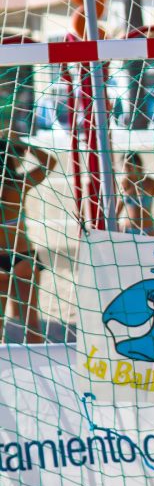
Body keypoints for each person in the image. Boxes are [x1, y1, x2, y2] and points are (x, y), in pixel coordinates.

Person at [0, 138, 56, 345]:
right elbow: (50, 162)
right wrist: (23, 144)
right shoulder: (19, 185)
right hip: (23, 256)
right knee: (32, 326)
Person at [118, 153, 154, 239]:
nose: (126, 168)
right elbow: (118, 209)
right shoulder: (125, 183)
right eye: (124, 166)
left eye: (128, 165)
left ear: (138, 164)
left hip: (147, 231)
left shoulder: (151, 183)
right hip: (127, 231)